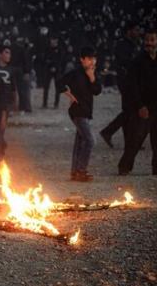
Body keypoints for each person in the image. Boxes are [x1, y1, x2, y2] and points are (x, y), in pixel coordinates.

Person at [118, 30, 157, 176]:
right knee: (135, 140)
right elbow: (132, 86)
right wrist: (139, 106)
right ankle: (124, 167)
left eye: (152, 40)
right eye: (147, 40)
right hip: (143, 108)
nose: (149, 44)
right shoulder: (138, 62)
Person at [60, 46, 102, 182]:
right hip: (77, 111)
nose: (92, 62)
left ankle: (75, 172)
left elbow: (97, 91)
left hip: (86, 111)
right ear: (82, 59)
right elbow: (59, 82)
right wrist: (68, 94)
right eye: (89, 59)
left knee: (80, 141)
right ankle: (81, 170)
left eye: (94, 59)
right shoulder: (75, 73)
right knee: (90, 140)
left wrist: (92, 78)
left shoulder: (93, 73)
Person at [99, 22, 140, 148]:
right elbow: (124, 62)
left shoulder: (132, 44)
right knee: (130, 111)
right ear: (129, 31)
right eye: (136, 30)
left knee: (129, 111)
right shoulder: (123, 44)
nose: (138, 32)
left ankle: (127, 140)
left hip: (130, 80)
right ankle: (109, 132)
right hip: (126, 80)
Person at [41, 35, 65, 109]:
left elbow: (61, 60)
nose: (53, 41)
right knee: (46, 87)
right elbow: (45, 59)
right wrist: (50, 65)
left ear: (57, 40)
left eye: (54, 40)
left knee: (57, 87)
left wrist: (55, 67)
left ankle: (56, 104)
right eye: (52, 39)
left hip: (57, 70)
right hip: (48, 69)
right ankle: (44, 104)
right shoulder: (47, 48)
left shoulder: (60, 49)